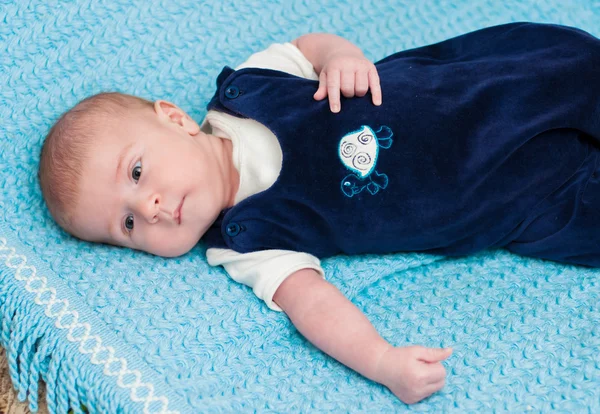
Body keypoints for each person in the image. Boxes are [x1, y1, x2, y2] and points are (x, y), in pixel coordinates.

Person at [38, 22, 600, 404]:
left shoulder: (249, 89)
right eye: (128, 226)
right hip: (511, 202)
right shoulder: (248, 242)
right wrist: (382, 362)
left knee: (572, 68)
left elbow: (309, 44)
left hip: (476, 93)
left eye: (137, 174)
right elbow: (313, 305)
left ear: (175, 118)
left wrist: (340, 57)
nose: (151, 207)